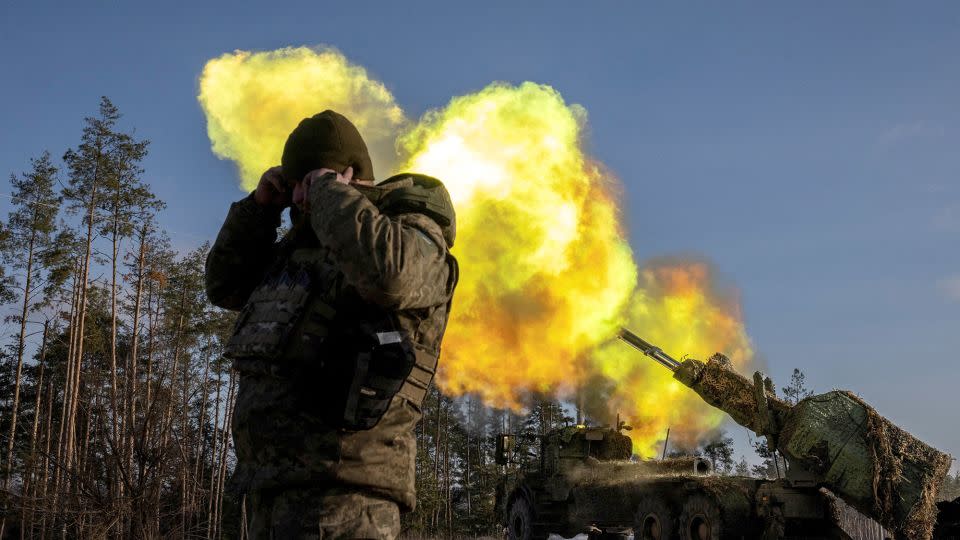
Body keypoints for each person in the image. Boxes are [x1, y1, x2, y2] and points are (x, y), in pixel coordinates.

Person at [205, 110, 458, 539]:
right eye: (296, 184)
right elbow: (225, 286)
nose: (301, 198)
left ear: (347, 175)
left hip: (346, 501)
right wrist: (259, 209)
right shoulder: (302, 250)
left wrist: (326, 191)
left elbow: (392, 275)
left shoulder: (409, 231)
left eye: (310, 180)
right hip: (269, 492)